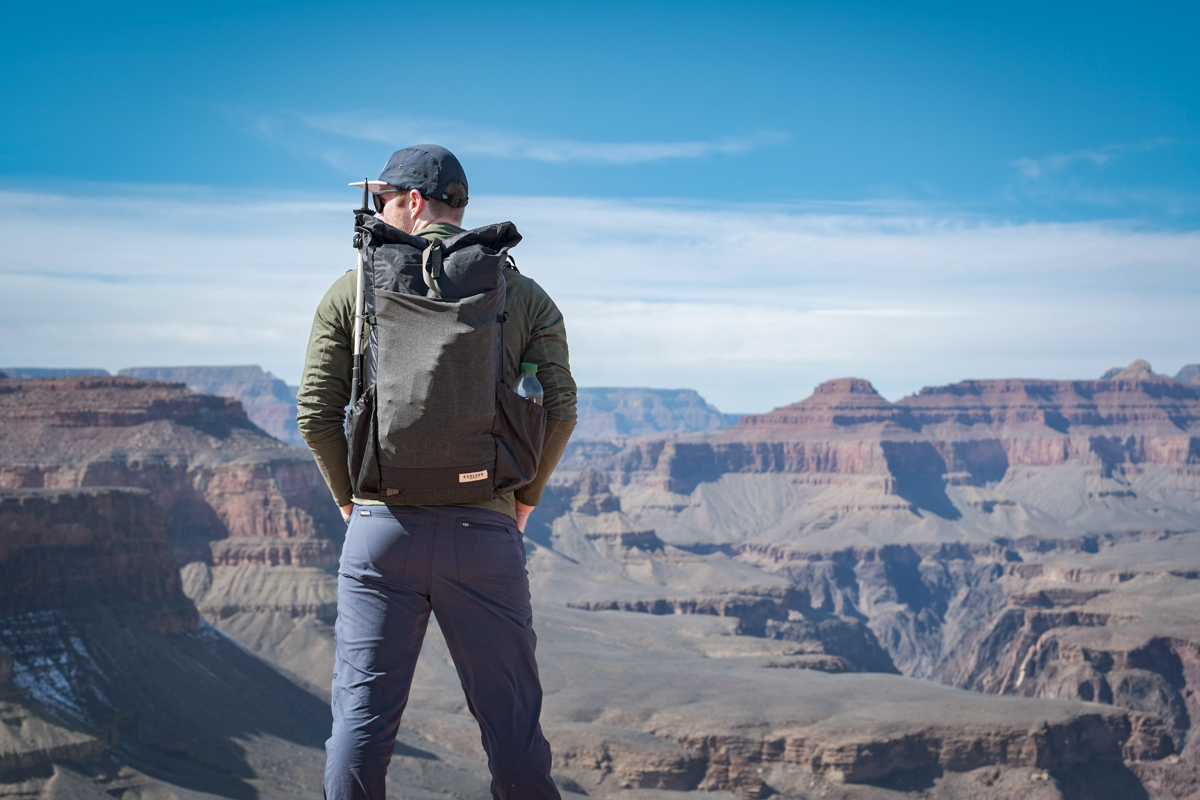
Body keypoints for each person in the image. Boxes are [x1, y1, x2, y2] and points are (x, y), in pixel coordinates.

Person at [297, 144, 576, 800]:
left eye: (384, 200)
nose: (379, 212)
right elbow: (560, 407)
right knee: (512, 727)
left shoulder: (353, 289)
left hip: (380, 531)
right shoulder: (523, 293)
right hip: (485, 532)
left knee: (360, 727)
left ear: (412, 203)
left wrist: (349, 499)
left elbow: (315, 412)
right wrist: (526, 499)